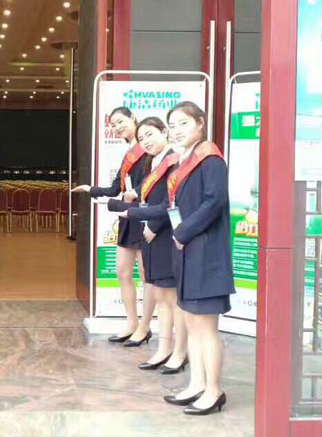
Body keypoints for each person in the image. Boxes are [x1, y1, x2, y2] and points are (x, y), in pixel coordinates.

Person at [127, 101, 234, 415]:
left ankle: (213, 390)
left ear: (200, 123)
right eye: (172, 125)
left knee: (205, 328)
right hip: (187, 255)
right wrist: (132, 212)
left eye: (183, 124)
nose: (176, 131)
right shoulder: (185, 163)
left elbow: (214, 202)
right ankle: (197, 384)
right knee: (192, 323)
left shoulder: (210, 160)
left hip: (207, 256)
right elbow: (173, 208)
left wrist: (182, 232)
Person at [105, 117, 188, 374]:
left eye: (150, 135)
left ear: (164, 132)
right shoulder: (154, 163)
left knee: (172, 299)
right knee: (161, 296)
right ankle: (164, 349)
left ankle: (179, 352)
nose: (146, 142)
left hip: (164, 234)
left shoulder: (173, 161)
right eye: (142, 139)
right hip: (151, 235)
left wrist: (152, 224)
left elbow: (172, 204)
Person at [72, 107, 156, 346]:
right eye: (113, 125)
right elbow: (113, 189)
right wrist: (89, 189)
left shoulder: (149, 151)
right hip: (127, 218)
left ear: (133, 119)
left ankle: (145, 326)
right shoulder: (128, 155)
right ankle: (131, 323)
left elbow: (153, 183)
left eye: (121, 122)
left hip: (145, 216)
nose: (118, 127)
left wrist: (135, 193)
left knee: (146, 275)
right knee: (122, 271)